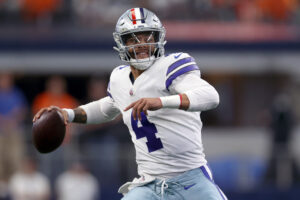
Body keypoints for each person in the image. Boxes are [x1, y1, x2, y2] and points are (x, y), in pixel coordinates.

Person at [33, 8, 226, 200]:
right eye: (134, 39)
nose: (141, 45)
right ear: (122, 43)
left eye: (147, 38)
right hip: (148, 183)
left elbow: (210, 96)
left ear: (158, 39)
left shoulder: (171, 66)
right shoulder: (119, 78)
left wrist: (161, 102)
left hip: (190, 180)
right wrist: (68, 114)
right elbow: (106, 108)